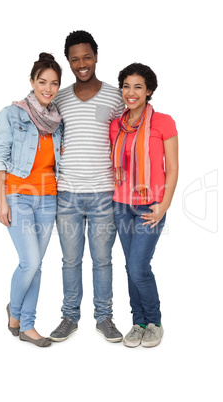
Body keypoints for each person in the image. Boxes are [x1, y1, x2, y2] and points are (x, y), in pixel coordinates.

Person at [49, 30, 125, 343]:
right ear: (68, 62)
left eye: (87, 57)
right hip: (66, 193)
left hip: (104, 193)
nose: (82, 63)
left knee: (103, 259)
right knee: (69, 260)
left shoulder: (115, 97)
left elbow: (126, 135)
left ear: (96, 56)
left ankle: (104, 318)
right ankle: (69, 316)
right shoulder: (59, 97)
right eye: (75, 59)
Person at [0, 53, 63, 347]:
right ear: (32, 82)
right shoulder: (13, 114)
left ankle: (25, 323)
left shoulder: (57, 120)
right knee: (29, 261)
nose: (48, 88)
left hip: (48, 199)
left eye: (54, 83)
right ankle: (18, 313)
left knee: (37, 264)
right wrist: (1, 201)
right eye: (42, 81)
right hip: (18, 195)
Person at [110, 63, 178, 348]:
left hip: (150, 205)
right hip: (120, 205)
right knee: (130, 267)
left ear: (149, 91)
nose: (131, 92)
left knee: (139, 267)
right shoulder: (117, 124)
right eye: (126, 86)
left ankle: (154, 322)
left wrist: (164, 206)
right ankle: (137, 322)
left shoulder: (163, 122)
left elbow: (172, 168)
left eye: (138, 86)